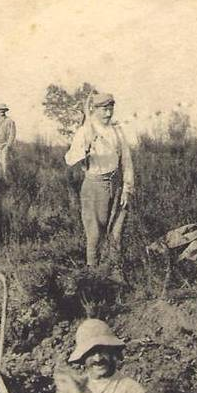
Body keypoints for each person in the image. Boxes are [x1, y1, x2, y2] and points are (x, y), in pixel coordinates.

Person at [39, 318, 149, 393]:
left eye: (102, 350)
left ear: (113, 351)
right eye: (91, 353)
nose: (98, 358)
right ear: (83, 357)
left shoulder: (131, 390)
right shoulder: (78, 385)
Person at [63, 93, 134, 269]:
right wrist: (84, 151)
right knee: (95, 234)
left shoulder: (117, 131)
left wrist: (127, 188)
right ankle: (93, 274)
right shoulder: (85, 131)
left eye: (111, 108)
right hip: (94, 187)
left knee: (117, 232)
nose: (108, 113)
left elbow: (127, 161)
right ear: (94, 110)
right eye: (104, 109)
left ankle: (114, 272)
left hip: (116, 186)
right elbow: (69, 159)